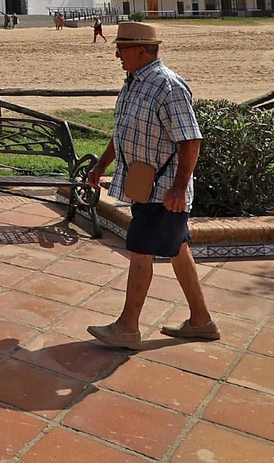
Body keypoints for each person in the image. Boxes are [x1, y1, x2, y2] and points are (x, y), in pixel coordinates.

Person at [85, 21, 215, 349]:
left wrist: (179, 187)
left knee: (140, 249)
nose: (117, 53)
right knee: (178, 249)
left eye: (123, 48)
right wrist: (102, 165)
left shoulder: (168, 86)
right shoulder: (133, 83)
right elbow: (123, 131)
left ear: (142, 50)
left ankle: (127, 327)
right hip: (145, 186)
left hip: (164, 190)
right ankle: (201, 321)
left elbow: (190, 140)